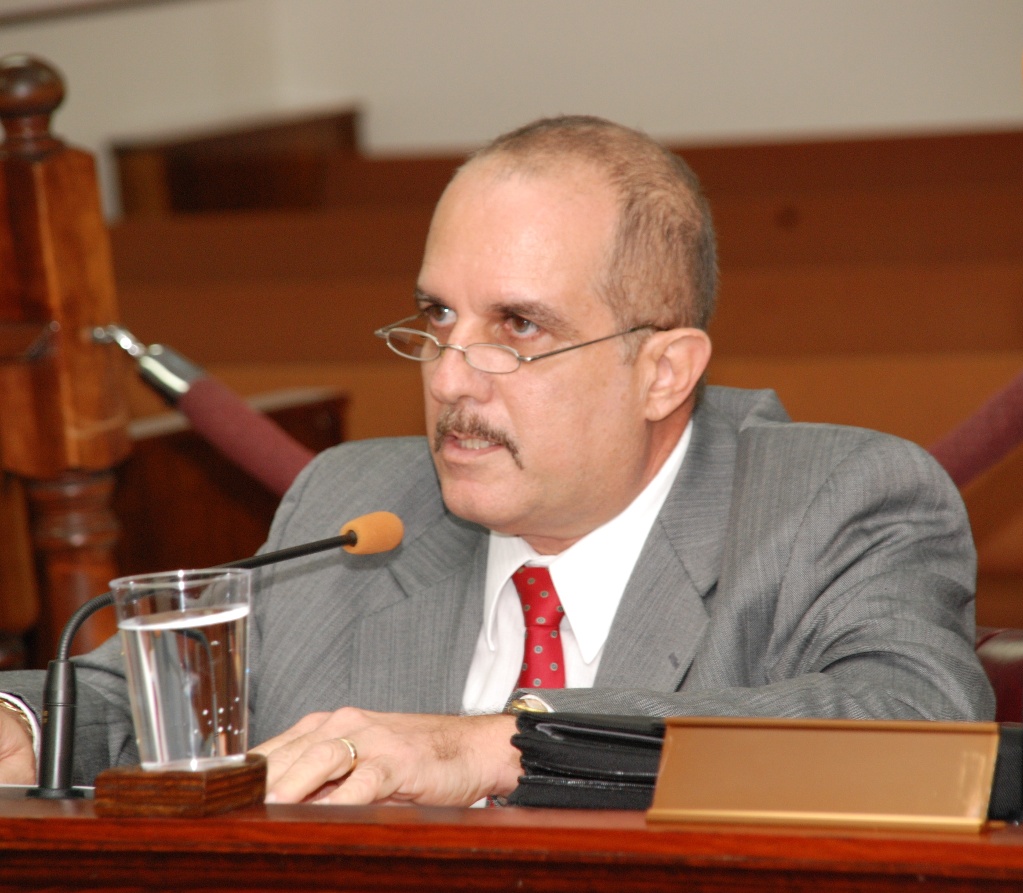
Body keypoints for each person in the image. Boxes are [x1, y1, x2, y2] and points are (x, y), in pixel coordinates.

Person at [0, 116, 994, 805]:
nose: (450, 378)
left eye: (518, 328)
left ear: (663, 371)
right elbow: (150, 706)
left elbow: (918, 725)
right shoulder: (357, 501)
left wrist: (495, 741)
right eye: (438, 316)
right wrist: (24, 723)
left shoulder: (832, 501)